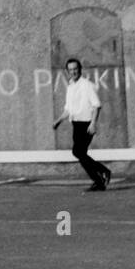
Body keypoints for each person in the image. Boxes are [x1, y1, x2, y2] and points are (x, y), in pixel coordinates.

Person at [52, 57, 111, 191]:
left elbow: (97, 105)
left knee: (78, 151)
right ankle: (99, 181)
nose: (73, 72)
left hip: (86, 124)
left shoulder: (87, 85)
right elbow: (68, 109)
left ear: (80, 70)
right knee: (80, 153)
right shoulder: (70, 87)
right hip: (76, 124)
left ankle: (103, 173)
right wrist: (58, 121)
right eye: (70, 70)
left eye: (75, 69)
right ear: (67, 71)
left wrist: (93, 123)